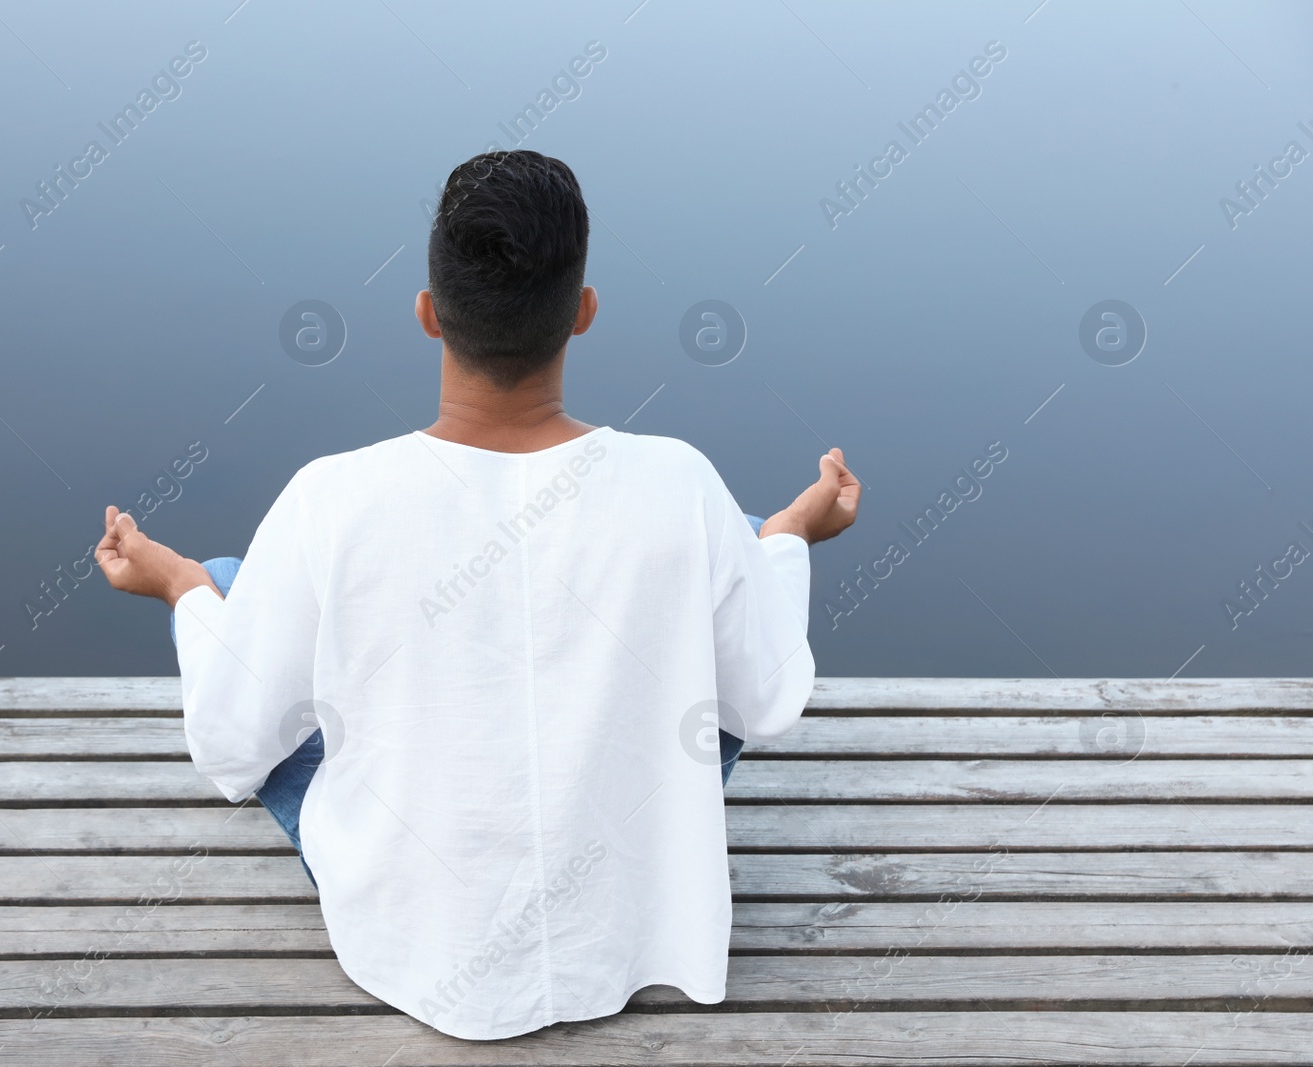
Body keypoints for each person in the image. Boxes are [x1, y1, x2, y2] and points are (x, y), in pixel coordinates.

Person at [96, 150, 859, 1042]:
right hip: (620, 926)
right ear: (583, 313)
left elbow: (230, 749)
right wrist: (785, 539)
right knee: (716, 558)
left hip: (414, 942)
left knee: (229, 580)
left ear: (427, 315)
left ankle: (205, 585)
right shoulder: (678, 482)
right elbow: (766, 701)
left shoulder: (332, 497)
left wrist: (180, 586)